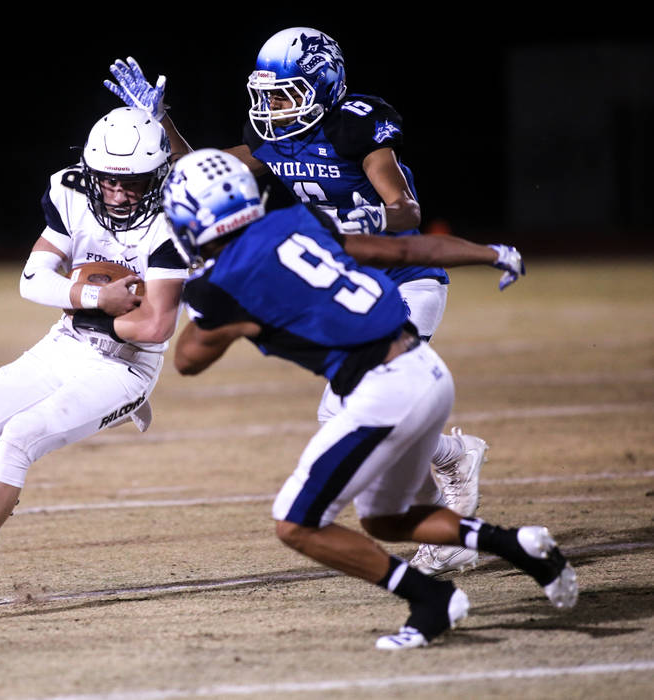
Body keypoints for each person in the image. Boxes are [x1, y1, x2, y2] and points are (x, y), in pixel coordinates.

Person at [106, 29, 492, 575]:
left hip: (406, 277)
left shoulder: (357, 125)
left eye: (283, 94)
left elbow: (405, 210)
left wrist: (340, 224)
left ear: (323, 83)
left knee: (352, 408)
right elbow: (201, 169)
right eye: (265, 95)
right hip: (350, 282)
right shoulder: (276, 140)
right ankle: (454, 460)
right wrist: (160, 122)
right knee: (364, 406)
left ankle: (446, 503)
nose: (271, 108)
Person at [162, 148, 576, 649]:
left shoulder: (222, 286)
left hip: (385, 391)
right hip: (427, 371)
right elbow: (399, 251)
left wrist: (196, 291)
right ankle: (517, 546)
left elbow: (187, 360)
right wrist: (490, 252)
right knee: (385, 519)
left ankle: (431, 598)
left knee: (295, 524)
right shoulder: (296, 221)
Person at [0, 106, 188, 619]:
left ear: (156, 176)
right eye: (107, 180)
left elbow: (155, 326)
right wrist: (94, 300)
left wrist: (93, 304)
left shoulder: (175, 217)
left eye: (130, 182)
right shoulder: (71, 191)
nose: (115, 193)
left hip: (126, 367)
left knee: (20, 434)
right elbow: (32, 279)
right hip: (67, 340)